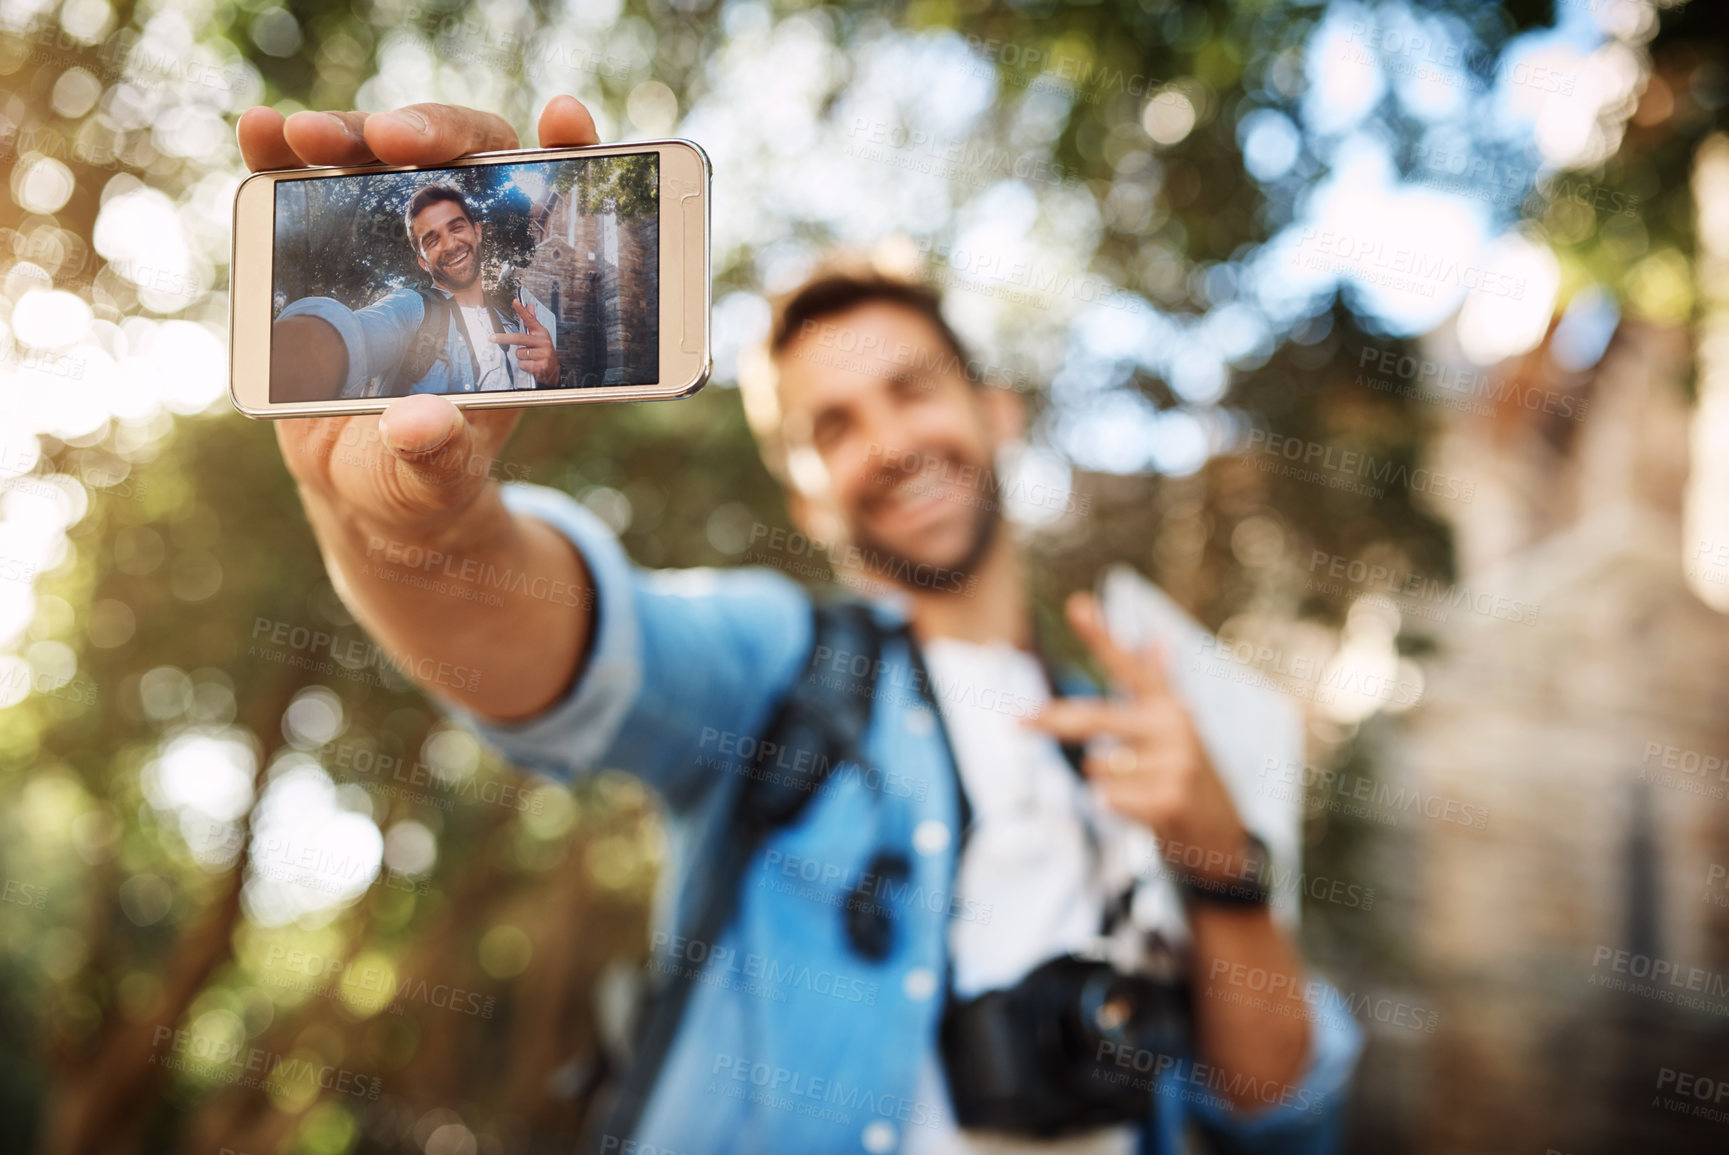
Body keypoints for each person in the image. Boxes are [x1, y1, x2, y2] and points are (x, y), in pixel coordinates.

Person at [238, 97, 1363, 1154]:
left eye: (913, 389)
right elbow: (565, 647)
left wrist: (1220, 868)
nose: (885, 443)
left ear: (997, 412)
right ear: (806, 495)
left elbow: (1278, 1117)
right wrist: (416, 542)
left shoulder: (1145, 749)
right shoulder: (781, 664)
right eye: (834, 426)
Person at [272, 180, 560, 401]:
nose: (449, 245)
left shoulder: (512, 325)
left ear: (478, 232)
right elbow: (358, 333)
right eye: (432, 240)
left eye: (456, 228)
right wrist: (293, 357)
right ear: (422, 261)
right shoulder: (411, 309)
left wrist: (551, 377)